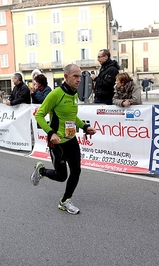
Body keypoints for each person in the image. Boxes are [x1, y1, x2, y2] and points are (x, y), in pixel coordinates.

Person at [30, 64, 97, 215]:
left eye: (80, 76)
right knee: (61, 176)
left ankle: (65, 201)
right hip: (57, 143)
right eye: (75, 76)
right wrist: (51, 133)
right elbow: (39, 115)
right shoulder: (55, 94)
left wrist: (85, 127)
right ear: (66, 77)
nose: (79, 80)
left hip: (71, 140)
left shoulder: (73, 94)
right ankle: (41, 171)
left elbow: (71, 118)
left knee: (76, 171)